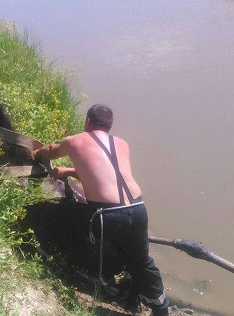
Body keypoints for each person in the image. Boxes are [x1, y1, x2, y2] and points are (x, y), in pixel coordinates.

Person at [33, 104, 171, 316]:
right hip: (138, 209)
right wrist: (70, 171)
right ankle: (161, 308)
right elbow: (109, 177)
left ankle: (47, 252)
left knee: (55, 209)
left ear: (88, 121)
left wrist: (35, 152)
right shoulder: (122, 144)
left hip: (107, 216)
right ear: (109, 126)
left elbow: (51, 152)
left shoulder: (75, 140)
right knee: (143, 262)